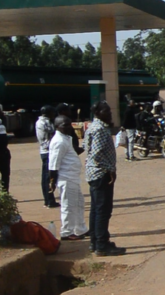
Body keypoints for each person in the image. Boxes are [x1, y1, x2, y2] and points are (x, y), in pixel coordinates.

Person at [85, 101, 125, 256]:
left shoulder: (92, 127)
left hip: (94, 173)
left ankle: (95, 242)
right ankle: (102, 244)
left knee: (96, 209)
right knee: (103, 210)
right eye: (106, 111)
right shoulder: (100, 129)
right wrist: (109, 170)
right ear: (98, 112)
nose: (110, 113)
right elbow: (95, 155)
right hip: (101, 174)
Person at [48, 115, 89, 240]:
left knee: (78, 203)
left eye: (69, 124)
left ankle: (80, 229)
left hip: (73, 177)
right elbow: (54, 164)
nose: (68, 127)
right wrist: (52, 181)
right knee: (68, 206)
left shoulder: (66, 138)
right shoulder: (58, 141)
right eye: (65, 125)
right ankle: (66, 232)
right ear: (57, 127)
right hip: (66, 178)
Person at [36, 105, 59, 208]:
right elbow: (47, 137)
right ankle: (48, 200)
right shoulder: (43, 123)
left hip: (48, 150)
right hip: (47, 151)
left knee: (49, 177)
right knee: (47, 177)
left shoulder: (46, 121)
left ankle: (49, 199)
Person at [122, 96, 138, 162]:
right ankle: (130, 156)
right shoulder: (129, 110)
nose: (134, 104)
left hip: (130, 127)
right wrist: (124, 126)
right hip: (129, 128)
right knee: (130, 142)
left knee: (128, 142)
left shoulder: (130, 110)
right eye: (133, 103)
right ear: (130, 103)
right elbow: (125, 119)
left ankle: (128, 155)